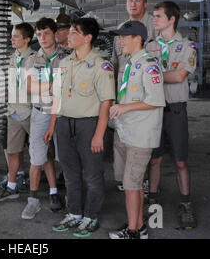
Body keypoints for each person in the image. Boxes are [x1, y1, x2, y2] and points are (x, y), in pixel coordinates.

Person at [46, 18, 115, 237]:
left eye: (75, 32)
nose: (69, 36)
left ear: (88, 38)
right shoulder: (65, 63)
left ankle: (91, 216)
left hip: (89, 125)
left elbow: (106, 103)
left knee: (93, 175)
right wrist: (52, 124)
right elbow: (56, 95)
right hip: (64, 124)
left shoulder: (101, 65)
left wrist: (99, 135)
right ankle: (74, 213)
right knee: (70, 173)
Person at [108, 21, 165, 239]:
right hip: (126, 131)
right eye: (119, 37)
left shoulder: (149, 64)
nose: (120, 41)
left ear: (138, 39)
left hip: (141, 135)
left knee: (132, 186)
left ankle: (132, 232)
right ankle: (138, 225)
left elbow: (156, 100)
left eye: (124, 37)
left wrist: (124, 107)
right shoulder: (130, 62)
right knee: (134, 184)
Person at [146, 1, 197, 229]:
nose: (154, 20)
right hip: (154, 111)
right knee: (154, 159)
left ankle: (185, 204)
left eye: (158, 16)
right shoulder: (149, 47)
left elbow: (179, 77)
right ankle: (152, 199)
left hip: (176, 111)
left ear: (171, 19)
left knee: (180, 160)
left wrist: (154, 75)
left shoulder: (187, 46)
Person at [110, 0, 156, 193]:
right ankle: (131, 185)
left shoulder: (153, 29)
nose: (133, 4)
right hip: (123, 96)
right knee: (122, 141)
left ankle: (146, 188)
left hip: (144, 98)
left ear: (145, 4)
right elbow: (116, 64)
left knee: (145, 147)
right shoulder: (121, 30)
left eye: (138, 0)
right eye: (130, 0)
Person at [21, 17, 65, 219]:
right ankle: (33, 200)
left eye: (46, 33)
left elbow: (65, 89)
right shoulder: (32, 59)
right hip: (40, 113)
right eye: (39, 34)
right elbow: (29, 87)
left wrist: (48, 86)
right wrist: (51, 85)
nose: (42, 37)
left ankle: (62, 195)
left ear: (55, 34)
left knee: (66, 157)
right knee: (37, 158)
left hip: (63, 114)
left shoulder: (66, 59)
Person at [0, 22, 35, 201]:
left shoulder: (35, 58)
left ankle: (49, 191)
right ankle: (12, 186)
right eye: (12, 35)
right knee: (13, 150)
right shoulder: (13, 58)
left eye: (16, 36)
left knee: (42, 153)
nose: (12, 39)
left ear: (27, 39)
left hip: (30, 112)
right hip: (14, 111)